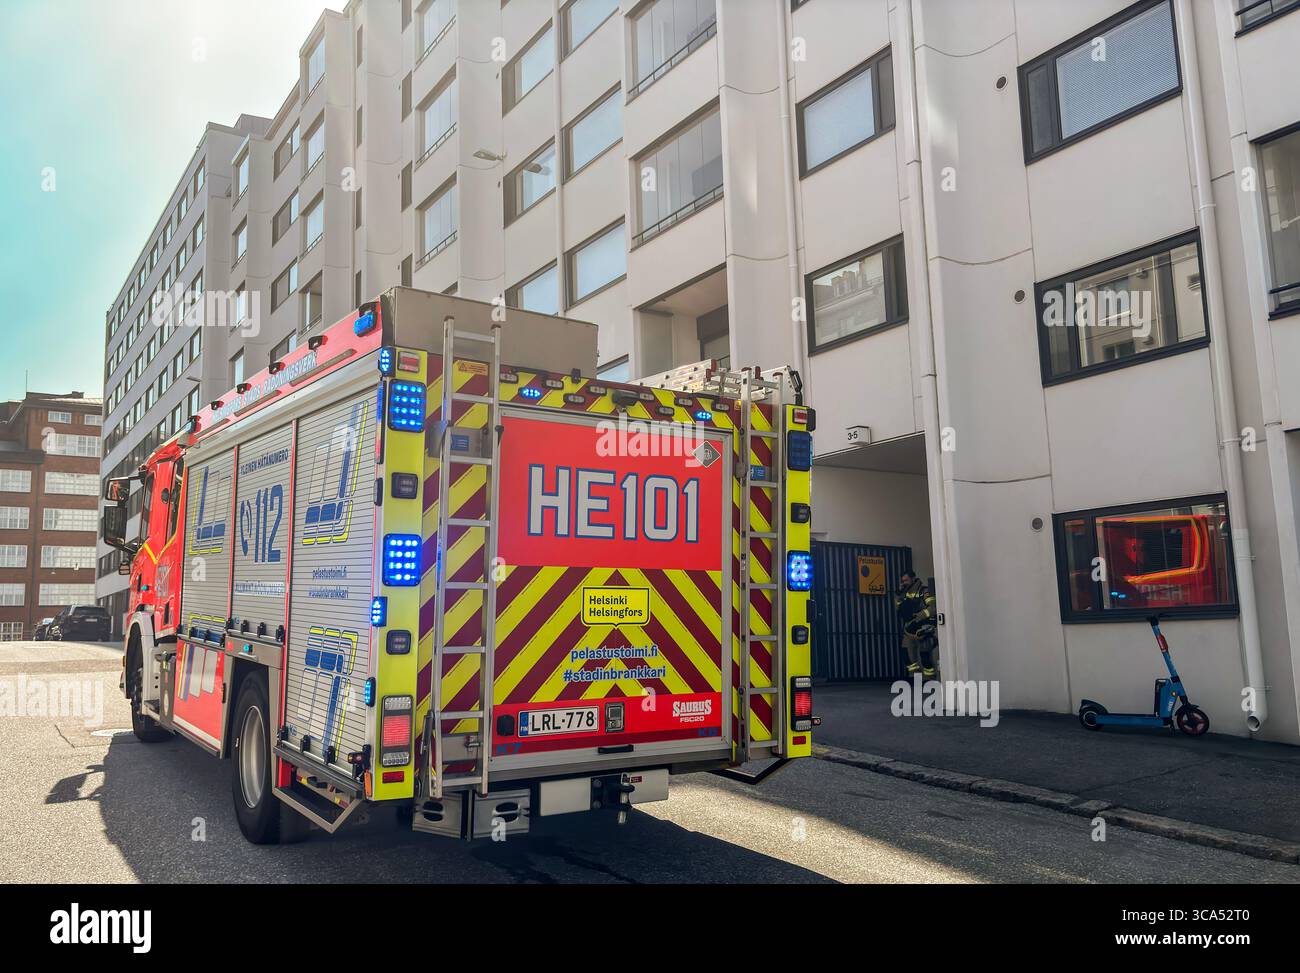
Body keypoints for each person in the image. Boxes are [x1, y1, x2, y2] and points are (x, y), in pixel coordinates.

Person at [895, 570, 938, 678]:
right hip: (909, 629)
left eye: (906, 580)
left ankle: (930, 680)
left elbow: (933, 609)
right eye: (903, 581)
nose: (904, 583)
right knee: (907, 655)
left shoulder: (924, 591)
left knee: (925, 657)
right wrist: (899, 595)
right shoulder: (904, 593)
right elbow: (899, 609)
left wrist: (918, 617)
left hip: (922, 628)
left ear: (913, 578)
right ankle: (915, 679)